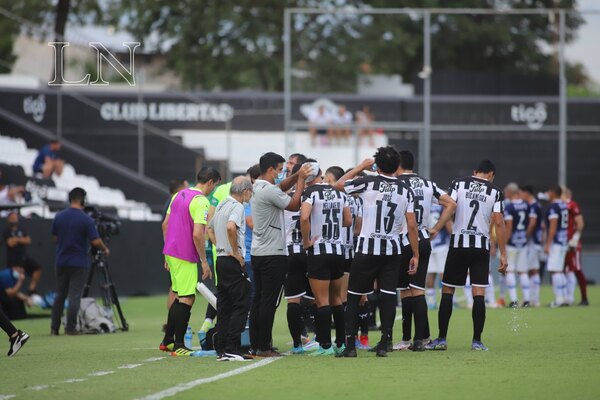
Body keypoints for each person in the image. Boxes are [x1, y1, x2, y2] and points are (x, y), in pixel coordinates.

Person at [334, 146, 420, 358]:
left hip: (367, 248)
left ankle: (350, 346)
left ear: (377, 164)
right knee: (388, 295)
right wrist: (416, 254)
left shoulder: (368, 182)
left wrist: (361, 166)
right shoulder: (405, 189)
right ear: (396, 165)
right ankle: (385, 343)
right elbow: (412, 225)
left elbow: (338, 185)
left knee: (353, 296)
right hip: (392, 250)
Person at [426, 160, 508, 352]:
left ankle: (441, 339)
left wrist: (437, 228)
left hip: (458, 244)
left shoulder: (458, 183)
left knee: (448, 290)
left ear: (475, 172)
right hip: (481, 246)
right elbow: (499, 222)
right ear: (490, 174)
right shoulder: (495, 191)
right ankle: (477, 341)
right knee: (479, 292)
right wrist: (503, 254)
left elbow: (451, 206)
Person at [249, 152, 312, 357]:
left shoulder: (258, 186)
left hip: (258, 251)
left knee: (259, 300)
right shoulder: (267, 189)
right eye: (278, 169)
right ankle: (264, 347)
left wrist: (295, 176)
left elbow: (281, 188)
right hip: (273, 253)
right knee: (268, 302)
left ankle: (256, 344)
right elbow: (293, 205)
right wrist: (301, 179)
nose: (279, 173)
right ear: (270, 170)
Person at [395, 150, 456, 352]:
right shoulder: (427, 184)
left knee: (405, 291)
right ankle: (422, 338)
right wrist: (437, 228)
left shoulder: (395, 182)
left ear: (398, 164)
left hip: (402, 239)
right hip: (423, 238)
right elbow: (451, 203)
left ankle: (406, 339)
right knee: (418, 289)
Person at [160, 167, 221, 356]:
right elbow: (197, 234)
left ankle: (168, 340)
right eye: (214, 186)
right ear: (210, 182)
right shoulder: (201, 201)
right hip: (185, 254)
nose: (213, 190)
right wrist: (204, 260)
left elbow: (165, 224)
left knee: (179, 295)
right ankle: (179, 345)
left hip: (172, 252)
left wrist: (167, 252)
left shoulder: (178, 195)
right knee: (187, 298)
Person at [300, 160, 351, 356]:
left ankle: (325, 346)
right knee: (337, 299)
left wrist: (306, 242)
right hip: (338, 251)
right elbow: (347, 220)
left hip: (319, 251)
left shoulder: (310, 193)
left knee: (322, 301)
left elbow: (304, 217)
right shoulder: (339, 192)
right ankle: (341, 343)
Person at [50, 188, 110, 335]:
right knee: (74, 296)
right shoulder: (86, 219)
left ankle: (54, 328)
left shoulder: (59, 216)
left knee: (60, 295)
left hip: (61, 260)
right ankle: (70, 328)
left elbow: (54, 238)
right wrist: (105, 248)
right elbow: (95, 241)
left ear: (70, 199)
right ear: (83, 200)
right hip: (78, 262)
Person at [207, 176, 254, 361]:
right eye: (250, 191)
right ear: (245, 192)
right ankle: (233, 347)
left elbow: (209, 229)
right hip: (231, 260)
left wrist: (221, 246)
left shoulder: (221, 204)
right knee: (242, 302)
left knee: (224, 305)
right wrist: (234, 251)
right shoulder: (237, 206)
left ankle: (222, 349)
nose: (251, 195)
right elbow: (230, 227)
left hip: (220, 259)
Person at [283, 161, 314, 354]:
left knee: (293, 301)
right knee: (317, 298)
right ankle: (319, 340)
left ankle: (297, 344)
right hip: (310, 251)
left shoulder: (283, 198)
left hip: (289, 252)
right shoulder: (314, 196)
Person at [161, 179, 189, 332]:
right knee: (177, 290)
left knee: (175, 289)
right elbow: (165, 225)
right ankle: (173, 324)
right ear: (183, 185)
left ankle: (171, 323)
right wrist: (168, 250)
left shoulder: (171, 201)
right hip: (177, 252)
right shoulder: (176, 201)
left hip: (173, 251)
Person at [503, 183, 533, 308]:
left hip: (512, 243)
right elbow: (531, 222)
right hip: (523, 242)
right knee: (523, 271)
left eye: (506, 192)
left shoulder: (509, 207)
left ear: (510, 192)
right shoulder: (526, 205)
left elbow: (509, 227)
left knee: (510, 270)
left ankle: (514, 300)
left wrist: (504, 243)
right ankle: (526, 299)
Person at [2, 212, 43, 294]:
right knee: (16, 278)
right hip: (13, 259)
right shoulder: (6, 231)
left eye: (15, 218)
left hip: (24, 257)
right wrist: (20, 240)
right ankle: (15, 294)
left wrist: (16, 239)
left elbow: (28, 240)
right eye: (12, 218)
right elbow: (10, 243)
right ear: (8, 219)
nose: (14, 220)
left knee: (38, 269)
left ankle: (31, 289)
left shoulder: (21, 229)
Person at [562, 188, 589, 306]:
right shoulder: (561, 205)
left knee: (576, 269)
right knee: (566, 270)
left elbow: (580, 222)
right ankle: (568, 298)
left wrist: (575, 238)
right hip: (564, 243)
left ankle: (584, 298)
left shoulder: (572, 205)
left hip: (573, 243)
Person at [544, 186, 569, 308]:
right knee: (559, 270)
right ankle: (565, 297)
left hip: (557, 242)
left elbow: (553, 226)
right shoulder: (563, 205)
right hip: (564, 241)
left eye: (549, 192)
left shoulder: (553, 206)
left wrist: (548, 243)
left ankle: (559, 300)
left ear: (553, 193)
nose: (547, 194)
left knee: (555, 271)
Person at [425, 203, 451, 309]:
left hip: (429, 243)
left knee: (431, 273)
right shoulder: (442, 208)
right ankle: (445, 300)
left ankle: (431, 301)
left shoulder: (426, 206)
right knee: (443, 273)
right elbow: (448, 225)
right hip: (441, 244)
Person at [521, 185, 543, 307]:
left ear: (526, 193)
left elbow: (532, 223)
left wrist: (525, 236)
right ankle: (535, 299)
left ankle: (528, 299)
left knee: (527, 270)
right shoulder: (536, 205)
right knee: (534, 270)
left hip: (532, 241)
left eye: (522, 193)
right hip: (537, 241)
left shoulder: (533, 206)